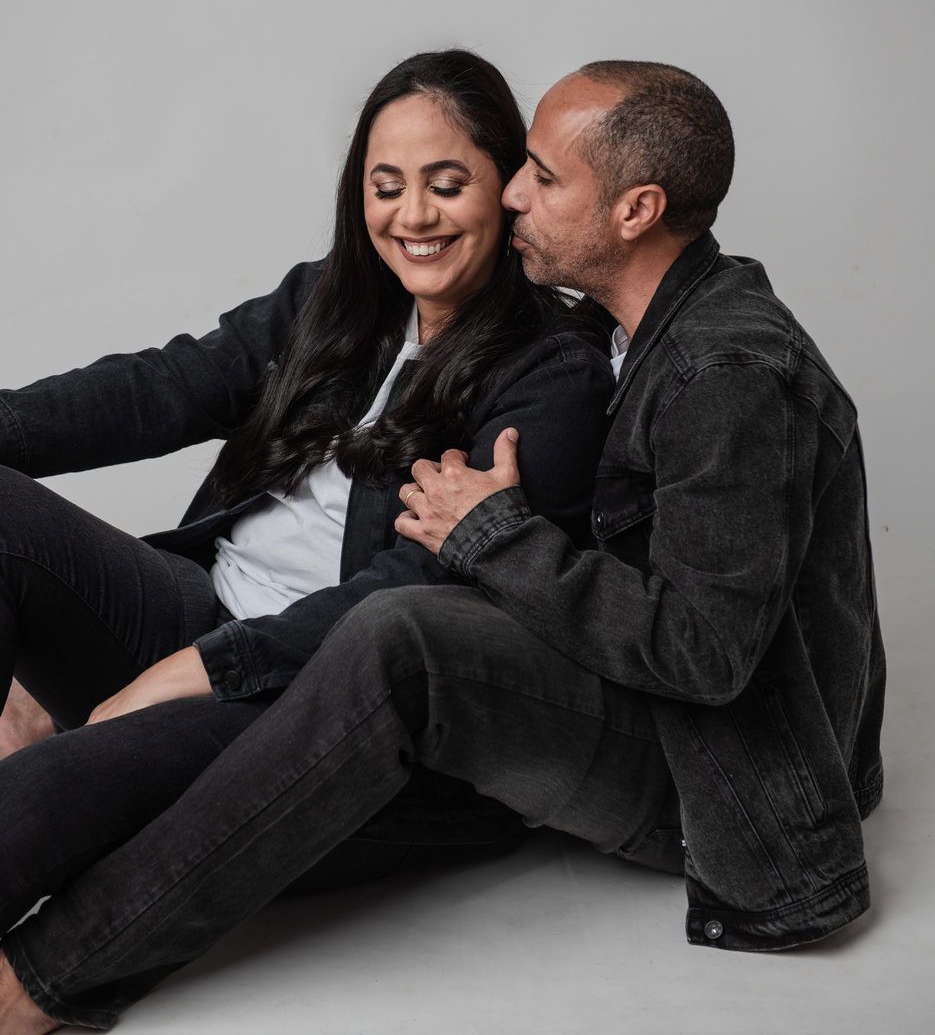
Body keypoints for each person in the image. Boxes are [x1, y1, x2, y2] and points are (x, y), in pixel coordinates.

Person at [0, 60, 884, 1033]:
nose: (513, 196)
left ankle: (40, 984)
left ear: (635, 210)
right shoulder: (571, 326)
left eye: (533, 176)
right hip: (247, 626)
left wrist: (485, 537)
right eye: (385, 183)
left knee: (84, 781)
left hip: (636, 756)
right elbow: (152, 388)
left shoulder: (686, 370)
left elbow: (699, 654)